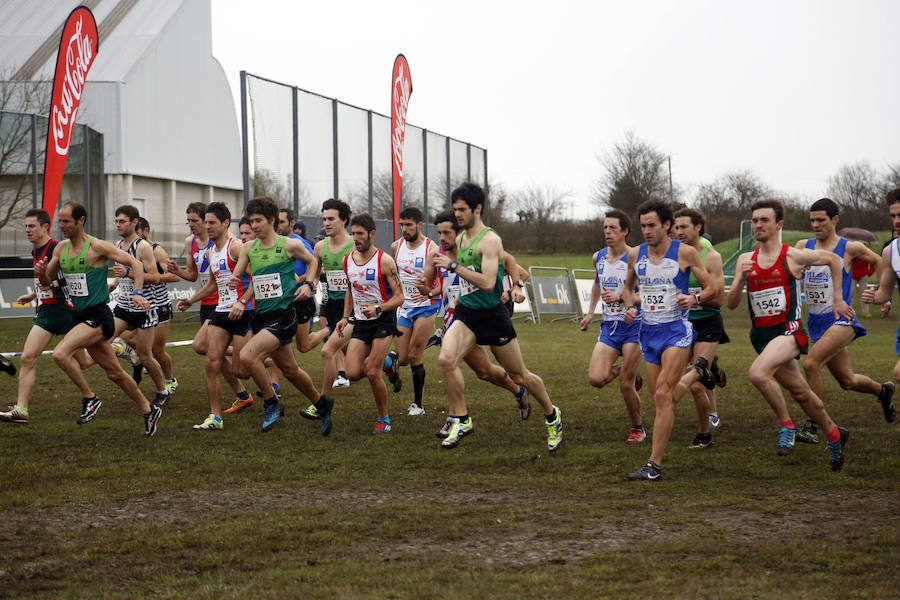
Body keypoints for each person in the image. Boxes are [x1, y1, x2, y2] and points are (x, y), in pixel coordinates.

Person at [434, 183, 562, 450]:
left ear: (477, 209)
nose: (457, 214)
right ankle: (462, 418)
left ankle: (552, 415)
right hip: (467, 312)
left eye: (462, 210)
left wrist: (455, 266)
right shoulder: (460, 239)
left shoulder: (490, 240)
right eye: (455, 209)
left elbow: (489, 282)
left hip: (493, 315)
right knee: (446, 359)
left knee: (520, 376)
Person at [726, 199, 851, 471]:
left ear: (778, 225)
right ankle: (834, 434)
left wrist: (838, 299)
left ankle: (786, 425)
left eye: (764, 220)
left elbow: (833, 259)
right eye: (755, 220)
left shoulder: (792, 256)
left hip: (790, 331)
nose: (758, 225)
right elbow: (732, 304)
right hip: (762, 335)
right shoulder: (746, 261)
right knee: (801, 393)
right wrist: (739, 281)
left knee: (758, 374)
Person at [34, 202, 162, 436]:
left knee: (61, 354)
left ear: (81, 221)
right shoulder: (60, 249)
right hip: (79, 316)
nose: (61, 226)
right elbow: (46, 282)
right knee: (115, 374)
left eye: (66, 222)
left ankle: (89, 398)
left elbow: (135, 263)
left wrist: (136, 292)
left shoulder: (97, 246)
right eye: (59, 221)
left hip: (99, 316)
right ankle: (148, 409)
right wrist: (42, 270)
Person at [623, 200, 716, 480]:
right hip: (648, 333)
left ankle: (654, 464)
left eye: (652, 225)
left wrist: (694, 297)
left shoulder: (685, 253)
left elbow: (711, 287)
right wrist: (630, 306)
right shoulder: (635, 255)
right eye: (643, 226)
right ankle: (694, 374)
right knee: (663, 400)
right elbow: (628, 288)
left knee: (663, 395)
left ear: (666, 225)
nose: (647, 231)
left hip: (676, 331)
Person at [417, 210, 531, 436]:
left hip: (475, 318)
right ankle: (518, 392)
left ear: (459, 232)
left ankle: (456, 418)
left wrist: (511, 288)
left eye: (447, 232)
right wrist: (426, 290)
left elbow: (515, 266)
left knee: (457, 364)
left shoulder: (474, 249)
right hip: (456, 320)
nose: (442, 238)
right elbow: (435, 287)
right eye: (439, 232)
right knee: (483, 371)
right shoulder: (438, 255)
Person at [227, 196, 332, 434]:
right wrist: (237, 288)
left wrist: (309, 285)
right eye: (251, 221)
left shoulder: (288, 245)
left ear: (272, 220)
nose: (254, 226)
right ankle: (321, 403)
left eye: (258, 221)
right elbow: (240, 276)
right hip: (262, 316)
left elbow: (314, 262)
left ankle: (271, 402)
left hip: (284, 315)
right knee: (291, 371)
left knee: (248, 356)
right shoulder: (248, 248)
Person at [794, 198, 892, 443]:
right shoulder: (803, 245)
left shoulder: (850, 247)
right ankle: (883, 390)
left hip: (841, 320)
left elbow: (880, 261)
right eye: (812, 220)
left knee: (811, 363)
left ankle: (813, 424)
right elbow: (790, 270)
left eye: (821, 220)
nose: (815, 224)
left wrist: (883, 292)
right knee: (847, 381)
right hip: (815, 322)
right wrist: (798, 271)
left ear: (834, 220)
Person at [0, 209, 95, 424]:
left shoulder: (56, 247)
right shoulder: (36, 251)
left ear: (45, 227)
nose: (27, 230)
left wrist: (48, 285)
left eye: (31, 226)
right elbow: (45, 280)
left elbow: (70, 277)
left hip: (66, 311)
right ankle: (21, 409)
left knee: (85, 362)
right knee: (27, 358)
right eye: (25, 226)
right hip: (46, 312)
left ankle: (116, 348)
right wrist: (33, 294)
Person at [177, 203, 252, 430]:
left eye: (211, 223)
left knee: (243, 370)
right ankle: (215, 417)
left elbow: (257, 277)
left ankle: (260, 363)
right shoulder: (210, 252)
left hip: (242, 311)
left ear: (225, 223)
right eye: (205, 222)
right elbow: (212, 284)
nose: (206, 227)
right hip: (220, 310)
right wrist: (192, 299)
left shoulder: (237, 247)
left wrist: (242, 301)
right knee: (211, 360)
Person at [333, 213, 405, 432]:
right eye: (353, 234)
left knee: (372, 372)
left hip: (383, 319)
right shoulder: (348, 259)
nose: (356, 238)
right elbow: (350, 290)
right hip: (362, 322)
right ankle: (387, 363)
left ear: (372, 234)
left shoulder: (385, 260)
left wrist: (379, 308)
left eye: (360, 234)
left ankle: (384, 419)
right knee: (353, 373)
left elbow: (400, 296)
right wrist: (345, 317)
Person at [579, 209, 645, 443]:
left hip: (634, 325)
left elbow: (645, 292)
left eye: (612, 228)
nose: (607, 232)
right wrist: (589, 313)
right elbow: (597, 284)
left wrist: (625, 301)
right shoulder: (598, 257)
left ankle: (637, 428)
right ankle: (629, 368)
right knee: (596, 379)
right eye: (605, 228)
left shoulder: (636, 257)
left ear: (625, 231)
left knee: (626, 385)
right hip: (609, 326)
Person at [670, 207, 729, 448]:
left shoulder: (710, 256)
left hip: (707, 321)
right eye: (676, 227)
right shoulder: (670, 255)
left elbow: (717, 300)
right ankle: (708, 370)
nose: (679, 231)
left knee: (694, 378)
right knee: (695, 384)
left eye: (684, 227)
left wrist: (694, 299)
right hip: (680, 324)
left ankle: (704, 434)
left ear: (698, 228)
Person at [107, 205, 171, 407]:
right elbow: (121, 272)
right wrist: (114, 284)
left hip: (144, 307)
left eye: (122, 221)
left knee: (146, 355)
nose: (118, 225)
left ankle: (162, 389)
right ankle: (129, 356)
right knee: (104, 340)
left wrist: (128, 274)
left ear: (134, 222)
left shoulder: (142, 246)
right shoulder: (117, 245)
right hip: (123, 306)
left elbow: (153, 277)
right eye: (116, 221)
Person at [299, 199, 355, 421]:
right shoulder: (320, 247)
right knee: (331, 351)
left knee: (357, 360)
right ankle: (322, 402)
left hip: (355, 306)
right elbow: (314, 269)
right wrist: (309, 284)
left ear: (344, 220)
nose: (326, 223)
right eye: (324, 219)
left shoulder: (355, 244)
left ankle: (388, 362)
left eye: (331, 219)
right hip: (333, 305)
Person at [384, 206, 441, 416]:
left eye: (408, 225)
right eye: (402, 225)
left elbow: (438, 278)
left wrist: (429, 292)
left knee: (416, 355)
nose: (404, 229)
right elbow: (393, 276)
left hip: (425, 307)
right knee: (404, 358)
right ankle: (433, 340)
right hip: (404, 307)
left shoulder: (431, 249)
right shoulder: (395, 246)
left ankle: (418, 404)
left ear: (419, 225)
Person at [270, 207, 330, 394]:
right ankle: (274, 384)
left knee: (303, 346)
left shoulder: (301, 243)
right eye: (276, 222)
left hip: (302, 300)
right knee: (278, 343)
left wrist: (301, 279)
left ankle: (330, 329)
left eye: (281, 222)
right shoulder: (275, 244)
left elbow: (318, 268)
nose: (277, 226)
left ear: (292, 223)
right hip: (281, 301)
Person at [862, 187, 900, 423]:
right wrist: (873, 297)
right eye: (893, 216)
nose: (896, 221)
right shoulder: (891, 251)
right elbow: (885, 291)